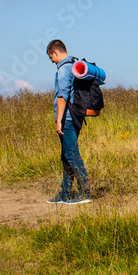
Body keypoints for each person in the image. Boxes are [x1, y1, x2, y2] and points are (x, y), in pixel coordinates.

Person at [46, 39, 91, 204]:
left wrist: (59, 121)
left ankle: (85, 193)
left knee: (72, 155)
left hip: (68, 119)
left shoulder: (63, 70)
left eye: (51, 57)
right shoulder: (74, 65)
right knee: (66, 155)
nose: (52, 61)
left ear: (55, 52)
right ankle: (65, 193)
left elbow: (62, 96)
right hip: (77, 116)